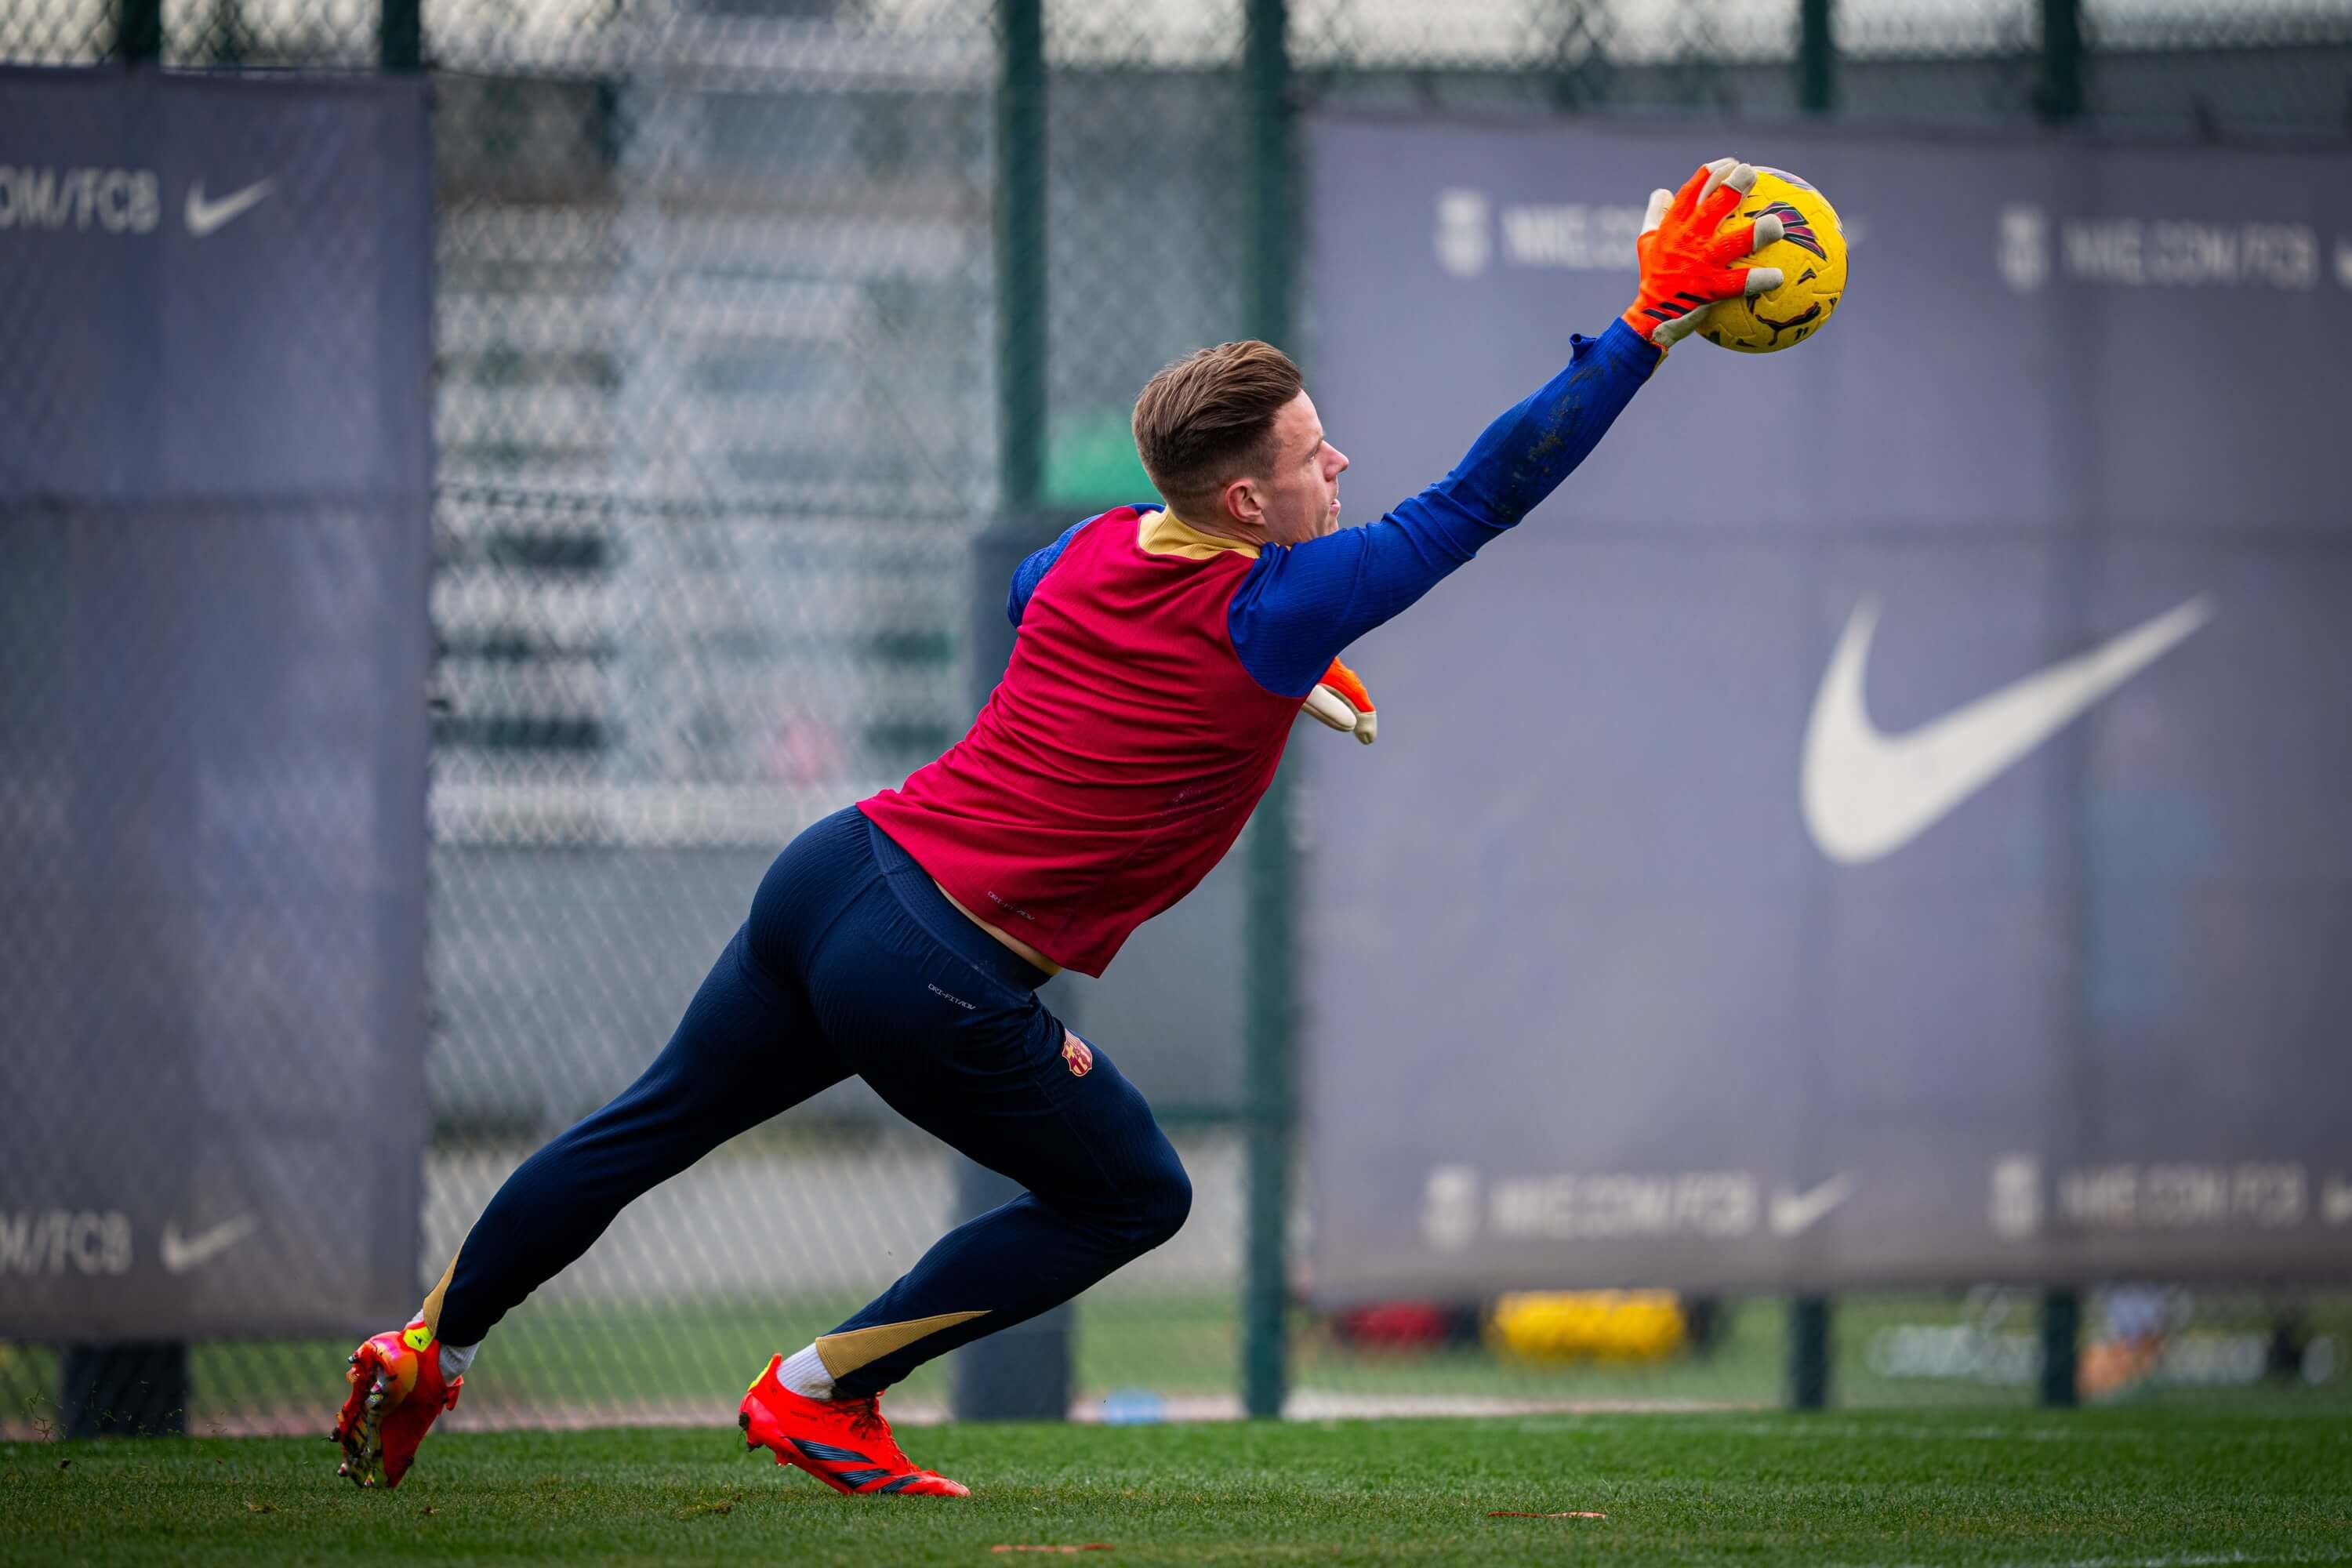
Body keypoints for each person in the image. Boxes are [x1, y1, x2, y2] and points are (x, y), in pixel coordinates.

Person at [332, 157, 1785, 1494]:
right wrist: (1646, 327)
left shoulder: (1099, 542)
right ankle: (819, 1387)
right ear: (1241, 496)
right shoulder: (1280, 601)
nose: (1336, 471)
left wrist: (1277, 679)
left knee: (647, 1127)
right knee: (1132, 1197)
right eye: (1313, 457)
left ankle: (427, 1347)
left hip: (834, 872)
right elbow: (1490, 492)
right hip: (939, 967)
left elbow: (1060, 612)